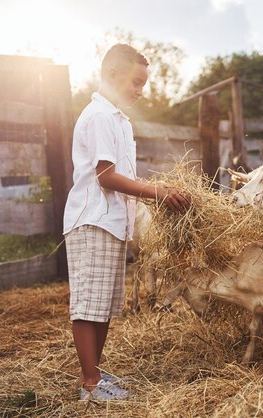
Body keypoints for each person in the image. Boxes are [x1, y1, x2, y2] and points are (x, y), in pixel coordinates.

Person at [63, 44, 190, 401]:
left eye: (143, 84)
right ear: (114, 75)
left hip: (112, 221)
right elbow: (106, 176)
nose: (140, 91)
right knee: (88, 304)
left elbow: (120, 173)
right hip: (93, 220)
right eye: (136, 82)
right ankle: (89, 383)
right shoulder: (100, 116)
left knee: (103, 304)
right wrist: (156, 191)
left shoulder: (118, 118)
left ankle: (94, 375)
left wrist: (153, 191)